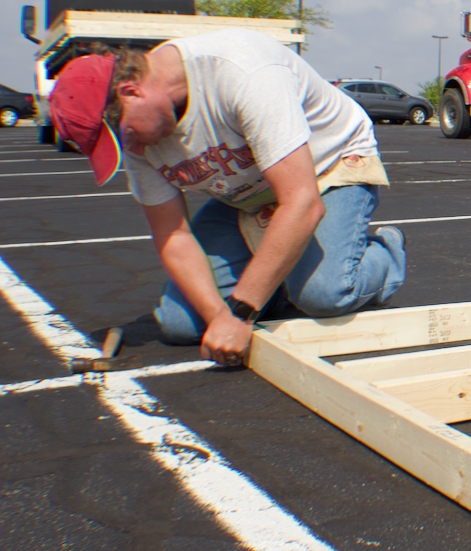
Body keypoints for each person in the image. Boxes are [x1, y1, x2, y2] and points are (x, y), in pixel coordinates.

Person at [48, 29, 407, 366]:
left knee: (324, 295)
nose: (133, 148)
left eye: (127, 134)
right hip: (245, 192)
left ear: (131, 91)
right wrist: (219, 317)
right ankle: (279, 277)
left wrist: (240, 312)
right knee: (181, 325)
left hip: (325, 171)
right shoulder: (138, 137)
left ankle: (385, 255)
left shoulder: (241, 72)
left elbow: (302, 203)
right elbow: (173, 235)